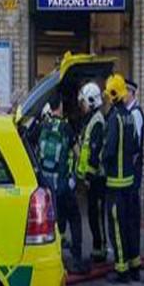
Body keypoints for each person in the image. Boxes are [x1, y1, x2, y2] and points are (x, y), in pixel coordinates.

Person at [37, 92, 86, 274]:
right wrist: (78, 176)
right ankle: (77, 256)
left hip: (47, 185)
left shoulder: (43, 126)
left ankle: (55, 258)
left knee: (55, 220)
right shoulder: (66, 128)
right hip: (64, 184)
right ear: (61, 107)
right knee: (74, 217)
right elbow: (78, 152)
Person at [102, 74, 141, 283]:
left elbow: (108, 150)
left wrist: (101, 163)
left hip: (115, 184)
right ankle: (135, 266)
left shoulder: (114, 118)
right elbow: (135, 146)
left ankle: (121, 270)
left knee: (116, 226)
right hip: (129, 183)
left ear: (114, 95)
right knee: (131, 226)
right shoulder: (130, 117)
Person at [77, 81, 107, 263]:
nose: (82, 106)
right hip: (92, 176)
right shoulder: (91, 120)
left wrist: (88, 175)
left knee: (97, 214)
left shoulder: (97, 122)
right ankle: (97, 247)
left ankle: (101, 248)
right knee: (92, 214)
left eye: (84, 103)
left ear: (92, 101)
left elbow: (95, 152)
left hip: (97, 177)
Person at [125, 78, 144, 257]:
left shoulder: (135, 114)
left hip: (133, 169)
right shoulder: (127, 112)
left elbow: (135, 144)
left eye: (125, 91)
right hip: (129, 170)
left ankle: (134, 253)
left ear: (131, 93)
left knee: (132, 211)